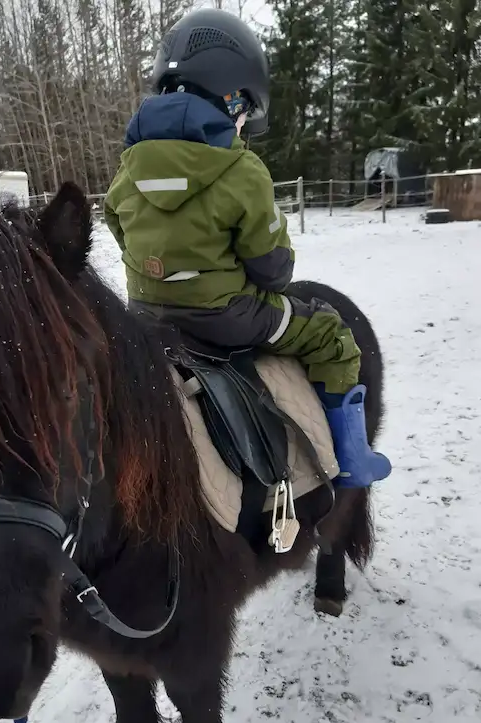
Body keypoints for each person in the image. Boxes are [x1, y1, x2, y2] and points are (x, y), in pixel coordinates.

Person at [103, 8, 391, 489]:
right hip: (227, 318)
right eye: (244, 112)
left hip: (147, 314)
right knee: (331, 335)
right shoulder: (241, 169)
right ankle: (350, 459)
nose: (243, 125)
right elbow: (274, 271)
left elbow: (115, 222)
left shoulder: (129, 164)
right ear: (231, 98)